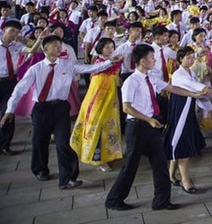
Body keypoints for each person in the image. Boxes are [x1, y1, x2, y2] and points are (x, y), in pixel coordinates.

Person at [2, 34, 121, 189]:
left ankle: (68, 178)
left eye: (60, 45)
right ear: (46, 49)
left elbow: (90, 68)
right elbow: (20, 90)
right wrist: (10, 110)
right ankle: (40, 170)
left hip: (61, 108)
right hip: (41, 109)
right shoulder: (36, 69)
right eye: (55, 46)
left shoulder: (67, 65)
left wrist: (109, 62)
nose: (59, 48)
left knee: (63, 143)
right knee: (40, 141)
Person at [104, 43, 209, 211]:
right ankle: (114, 199)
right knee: (130, 166)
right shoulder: (131, 81)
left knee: (160, 163)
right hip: (137, 127)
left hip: (152, 126)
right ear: (143, 61)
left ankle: (161, 200)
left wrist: (194, 94)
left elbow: (172, 88)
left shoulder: (152, 77)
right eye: (152, 58)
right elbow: (127, 108)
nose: (155, 60)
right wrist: (148, 119)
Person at [69, 37, 123, 172]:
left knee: (110, 126)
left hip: (111, 100)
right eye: (106, 47)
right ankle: (98, 158)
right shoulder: (100, 63)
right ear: (100, 49)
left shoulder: (114, 61)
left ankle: (110, 154)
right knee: (97, 126)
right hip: (99, 100)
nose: (110, 50)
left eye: (111, 47)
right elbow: (96, 87)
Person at [164, 47, 211, 194]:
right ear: (180, 60)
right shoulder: (178, 74)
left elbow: (195, 88)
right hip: (180, 110)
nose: (191, 60)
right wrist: (202, 89)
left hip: (188, 109)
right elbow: (192, 86)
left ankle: (171, 175)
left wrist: (201, 94)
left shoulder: (190, 72)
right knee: (181, 142)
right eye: (187, 58)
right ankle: (185, 181)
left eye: (192, 57)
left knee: (178, 142)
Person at [0, 20, 24, 155]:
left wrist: (23, 39)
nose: (14, 34)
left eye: (17, 32)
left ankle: (5, 144)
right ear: (4, 30)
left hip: (10, 82)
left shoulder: (17, 45)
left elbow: (34, 49)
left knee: (8, 111)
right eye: (11, 31)